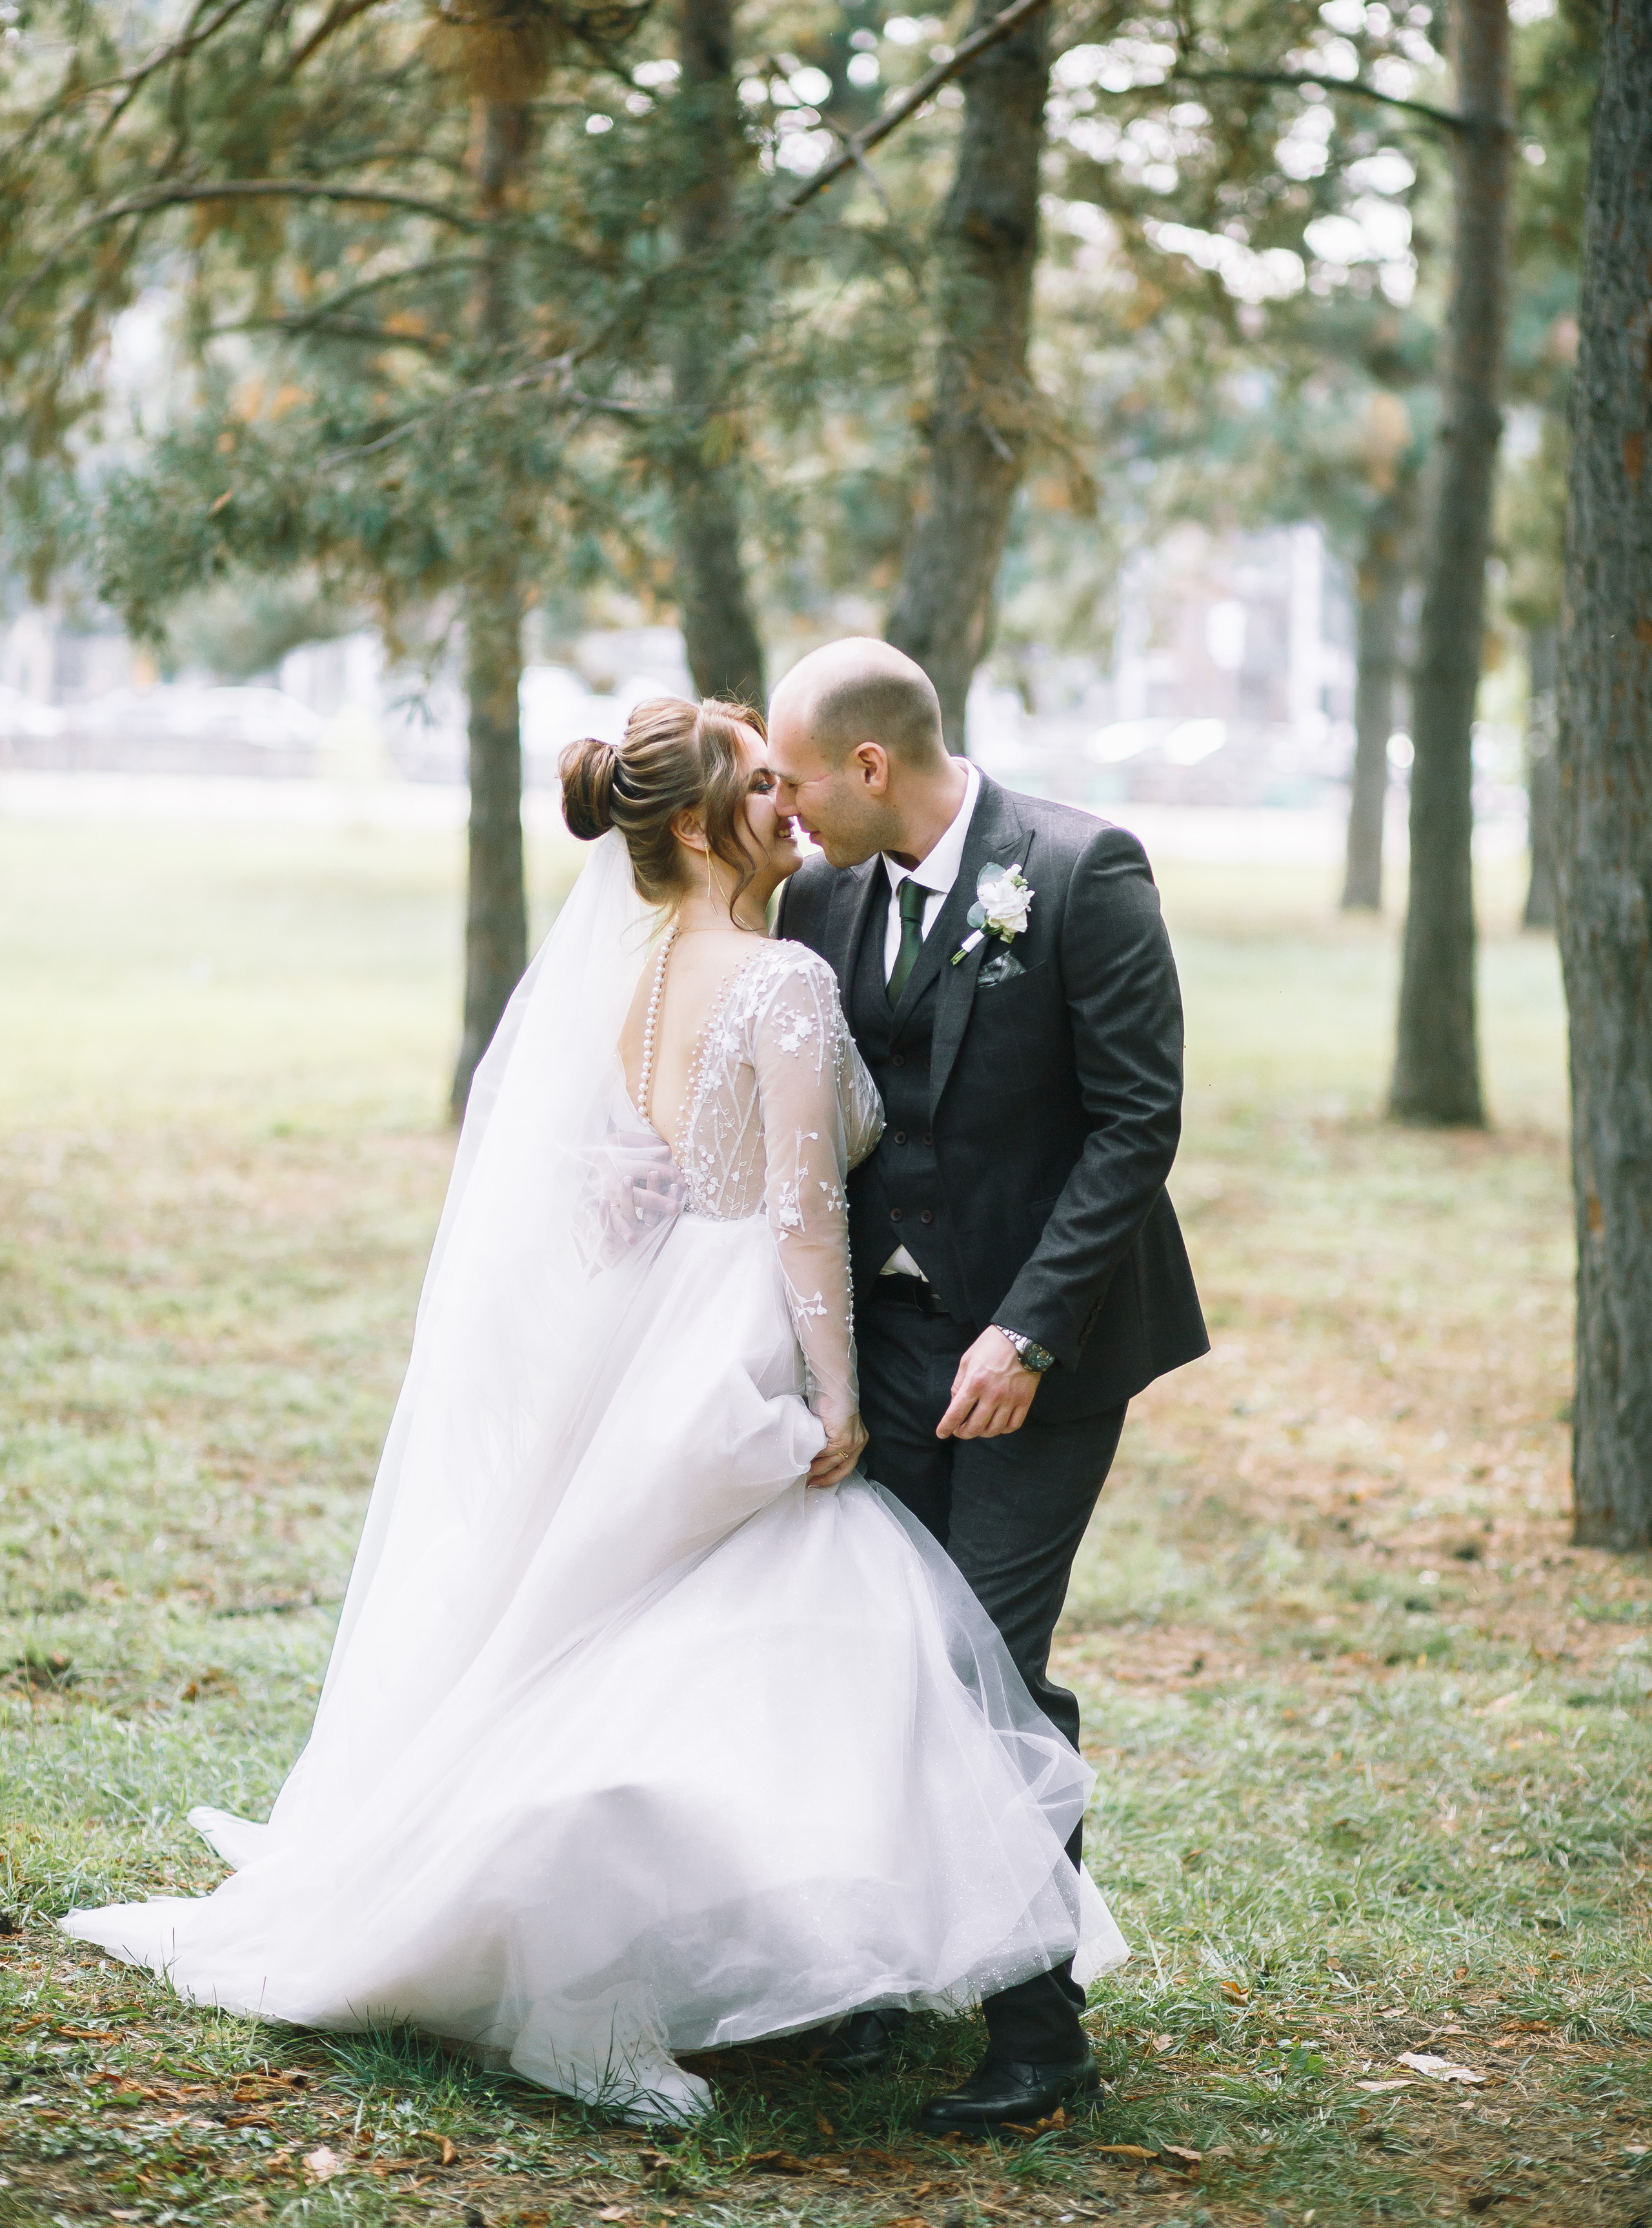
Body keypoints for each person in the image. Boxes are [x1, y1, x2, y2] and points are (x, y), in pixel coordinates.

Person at [63, 694, 1125, 2127]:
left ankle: (751, 1968)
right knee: (752, 1640)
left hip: (659, 1329)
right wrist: (830, 1397)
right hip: (744, 1336)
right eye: (761, 786)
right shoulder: (776, 977)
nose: (788, 808)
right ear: (695, 821)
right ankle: (598, 1991)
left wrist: (666, 1200)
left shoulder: (641, 976)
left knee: (642, 1633)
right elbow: (803, 1218)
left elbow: (653, 1162)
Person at [770, 639, 1207, 2134]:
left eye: (796, 776)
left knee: (989, 1667)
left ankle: (1038, 2032)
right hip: (887, 1348)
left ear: (869, 767)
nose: (784, 804)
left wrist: (1021, 1334)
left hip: (1051, 1346)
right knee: (878, 1651)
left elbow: (1134, 1125)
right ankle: (881, 1973)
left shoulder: (1083, 873)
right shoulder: (819, 898)